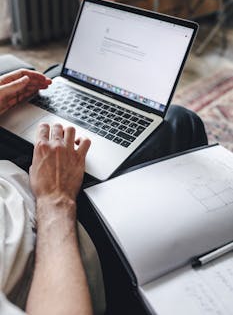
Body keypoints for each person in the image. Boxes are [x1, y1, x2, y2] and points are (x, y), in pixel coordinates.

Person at [0, 69, 208, 315]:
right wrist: (55, 197)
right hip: (51, 227)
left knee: (57, 79)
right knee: (180, 121)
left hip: (12, 176)